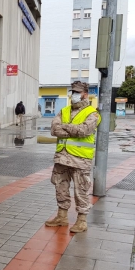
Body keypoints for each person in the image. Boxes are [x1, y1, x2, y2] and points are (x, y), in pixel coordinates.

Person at [45, 81, 100, 233]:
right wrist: (71, 129)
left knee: (80, 189)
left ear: (85, 94)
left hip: (80, 159)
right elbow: (54, 130)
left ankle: (82, 220)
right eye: (73, 92)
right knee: (60, 187)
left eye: (77, 92)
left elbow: (84, 131)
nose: (74, 95)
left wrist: (65, 126)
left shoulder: (92, 113)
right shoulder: (64, 111)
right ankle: (61, 216)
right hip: (62, 156)